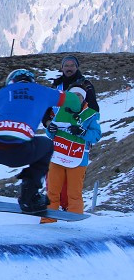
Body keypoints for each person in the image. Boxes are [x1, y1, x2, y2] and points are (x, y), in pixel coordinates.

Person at [0, 68, 83, 213]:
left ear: (10, 82)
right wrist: (75, 109)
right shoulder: (42, 91)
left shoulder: (2, 93)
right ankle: (29, 197)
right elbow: (74, 100)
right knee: (47, 145)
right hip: (22, 149)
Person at [44, 87, 101, 215]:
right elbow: (51, 133)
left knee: (74, 193)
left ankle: (75, 219)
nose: (76, 98)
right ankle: (48, 217)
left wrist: (82, 132)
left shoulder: (91, 115)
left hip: (78, 159)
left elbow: (96, 135)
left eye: (79, 96)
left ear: (83, 98)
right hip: (57, 156)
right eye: (73, 95)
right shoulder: (60, 111)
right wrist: (50, 130)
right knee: (52, 191)